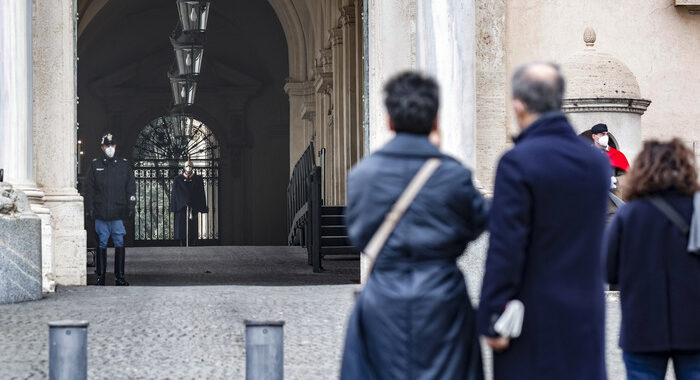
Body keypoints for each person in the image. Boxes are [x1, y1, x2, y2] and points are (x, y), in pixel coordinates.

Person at [339, 72, 489, 379]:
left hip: (383, 297)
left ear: (389, 121)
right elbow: (477, 223)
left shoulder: (362, 176)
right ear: (435, 120)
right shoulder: (454, 175)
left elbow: (357, 236)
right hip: (442, 298)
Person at [477, 62, 610, 379]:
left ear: (518, 104)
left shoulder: (517, 162)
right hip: (586, 313)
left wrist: (492, 314)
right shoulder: (596, 163)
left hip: (532, 318)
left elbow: (506, 249)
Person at [606, 139, 700, 380]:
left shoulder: (628, 214)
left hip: (642, 325)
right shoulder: (697, 210)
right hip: (694, 325)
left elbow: (608, 271)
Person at [84, 133, 136, 286]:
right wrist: (90, 208)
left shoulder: (124, 165)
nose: (110, 148)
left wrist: (131, 205)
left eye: (112, 145)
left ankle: (119, 277)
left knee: (119, 242)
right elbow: (89, 189)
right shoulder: (95, 165)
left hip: (118, 213)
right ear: (102, 147)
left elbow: (131, 188)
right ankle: (101, 277)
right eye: (107, 146)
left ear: (116, 146)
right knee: (102, 243)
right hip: (101, 213)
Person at [169, 160, 207, 246]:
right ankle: (181, 243)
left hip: (193, 207)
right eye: (187, 166)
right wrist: (175, 207)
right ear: (184, 168)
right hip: (181, 207)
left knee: (192, 227)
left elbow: (201, 193)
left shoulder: (198, 179)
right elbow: (174, 194)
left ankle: (192, 243)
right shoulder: (177, 179)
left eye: (190, 166)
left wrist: (202, 207)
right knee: (181, 228)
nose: (188, 168)